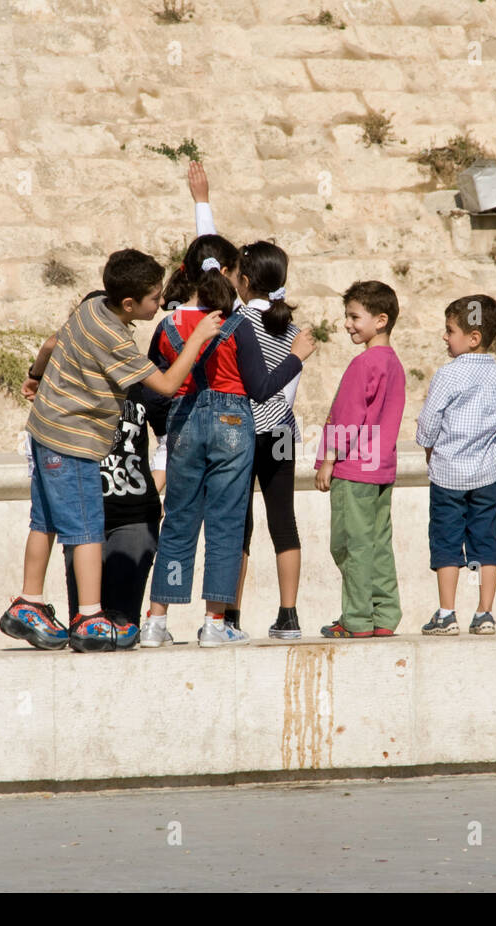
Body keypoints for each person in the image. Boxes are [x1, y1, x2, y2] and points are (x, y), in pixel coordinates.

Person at [0, 249, 221, 653]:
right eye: (155, 298)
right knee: (86, 529)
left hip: (45, 431)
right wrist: (199, 338)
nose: (161, 302)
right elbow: (168, 384)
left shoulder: (91, 309)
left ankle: (28, 602)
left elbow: (52, 342)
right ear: (130, 304)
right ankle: (89, 617)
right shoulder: (116, 339)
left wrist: (36, 375)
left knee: (44, 521)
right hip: (74, 440)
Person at [141, 235, 315, 648]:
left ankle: (156, 621)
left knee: (179, 522)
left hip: (185, 423)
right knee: (226, 526)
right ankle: (214, 623)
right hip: (234, 425)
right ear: (231, 274)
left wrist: (168, 428)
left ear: (186, 270)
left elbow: (151, 387)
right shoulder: (236, 324)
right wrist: (296, 358)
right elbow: (260, 387)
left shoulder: (167, 325)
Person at [22, 292, 172, 642]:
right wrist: (37, 370)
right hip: (84, 520)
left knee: (121, 625)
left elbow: (170, 439)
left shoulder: (139, 380)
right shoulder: (67, 387)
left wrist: (153, 483)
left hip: (134, 518)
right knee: (86, 627)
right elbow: (43, 451)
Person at [414, 295, 496, 636]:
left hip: (447, 474)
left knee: (447, 542)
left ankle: (447, 613)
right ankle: (484, 613)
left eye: (450, 330)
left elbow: (428, 424)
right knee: (484, 542)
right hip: (486, 475)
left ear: (472, 337)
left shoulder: (448, 376)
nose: (445, 337)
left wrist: (429, 447)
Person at [315, 280, 406, 638]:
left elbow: (348, 417)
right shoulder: (394, 363)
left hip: (354, 470)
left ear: (380, 320)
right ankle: (384, 616)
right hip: (381, 469)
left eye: (355, 316)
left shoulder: (363, 363)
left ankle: (355, 619)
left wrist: (328, 460)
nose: (348, 323)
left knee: (350, 545)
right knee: (378, 544)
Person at [230, 241, 305, 640]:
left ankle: (230, 616)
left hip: (243, 433)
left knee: (238, 527)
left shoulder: (237, 321)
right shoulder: (292, 330)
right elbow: (287, 392)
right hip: (282, 433)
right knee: (284, 522)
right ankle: (288, 615)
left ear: (243, 281)